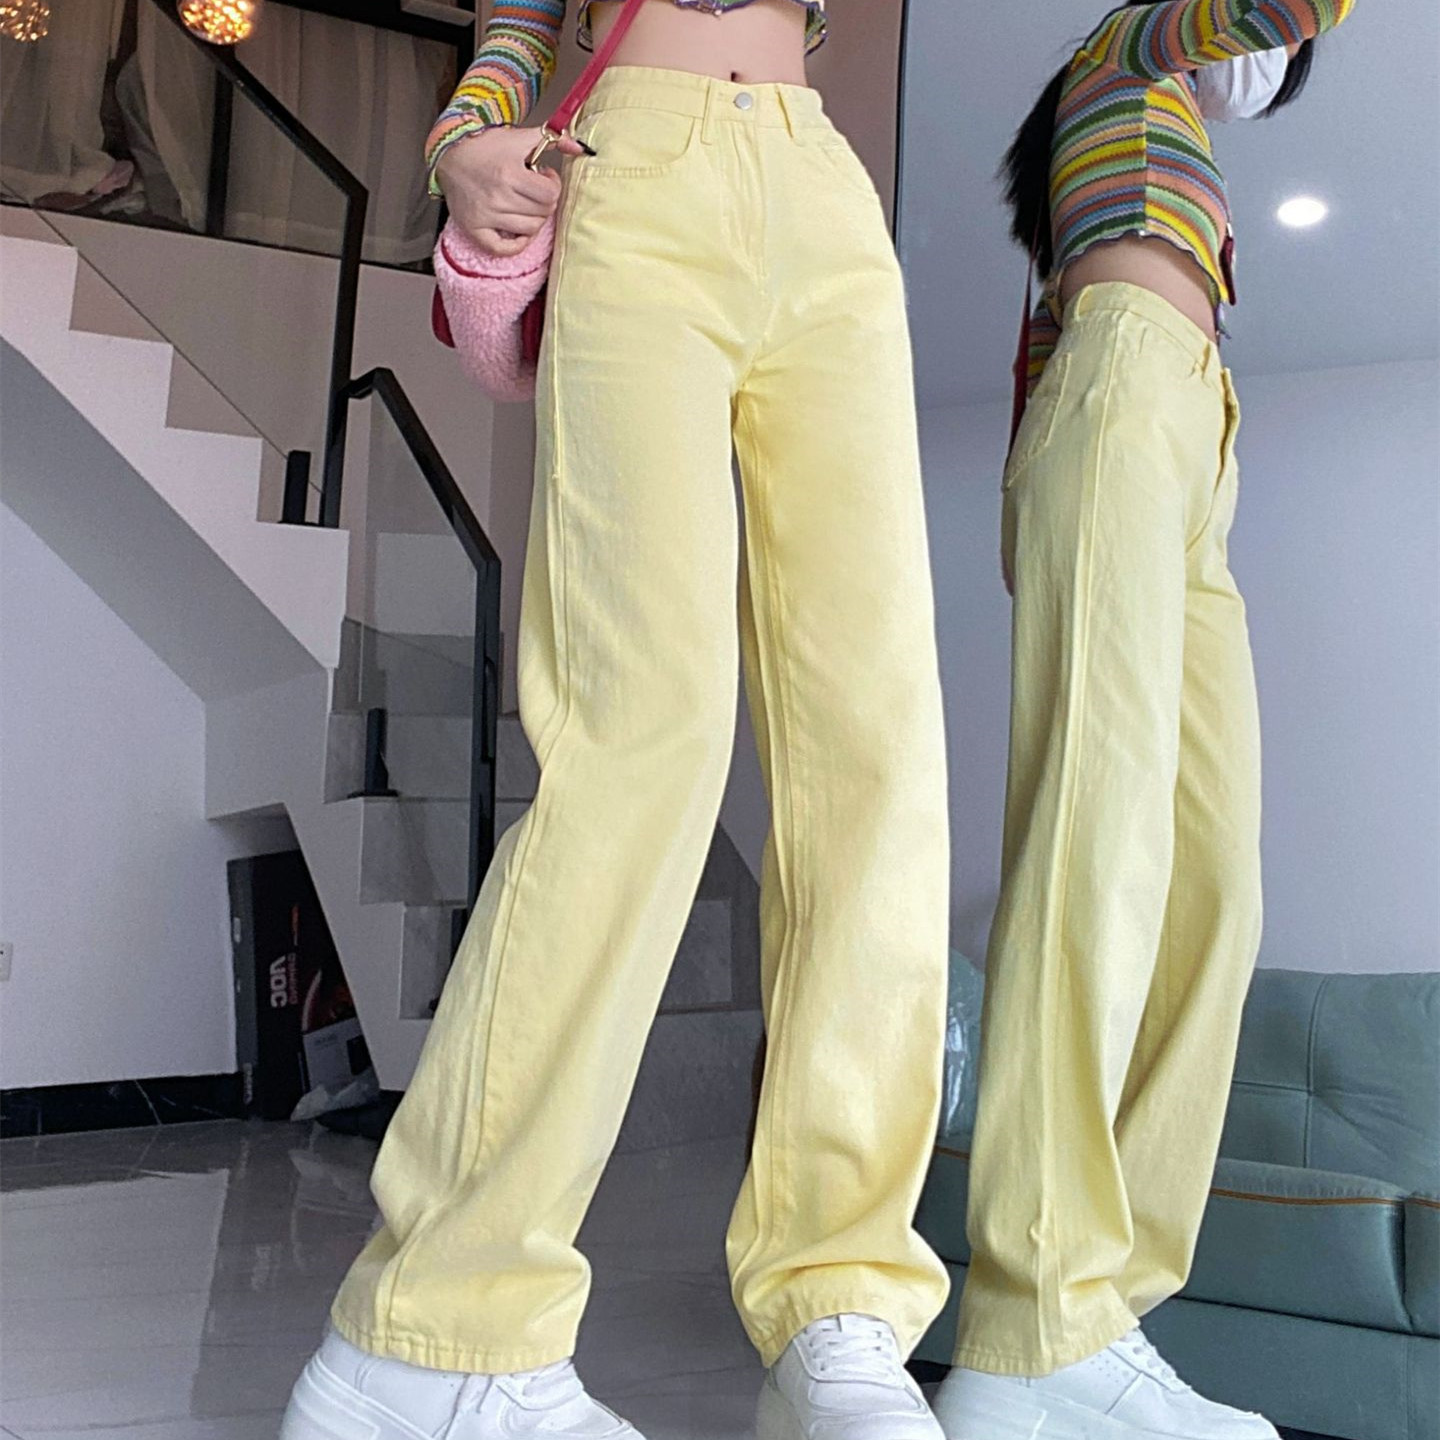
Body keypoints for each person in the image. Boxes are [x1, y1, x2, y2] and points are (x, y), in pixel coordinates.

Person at [281, 2, 954, 1438]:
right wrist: (461, 139)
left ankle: (840, 1295)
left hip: (823, 190)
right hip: (633, 173)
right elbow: (520, 20)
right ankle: (439, 1327)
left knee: (881, 754)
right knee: (643, 736)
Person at [932, 3, 1356, 1439]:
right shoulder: (1126, 47)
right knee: (1098, 846)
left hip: (1193, 429)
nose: (1270, 78)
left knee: (1216, 887)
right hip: (1122, 383)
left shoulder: (1167, 146)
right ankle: (1027, 1320)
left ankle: (1095, 1316)